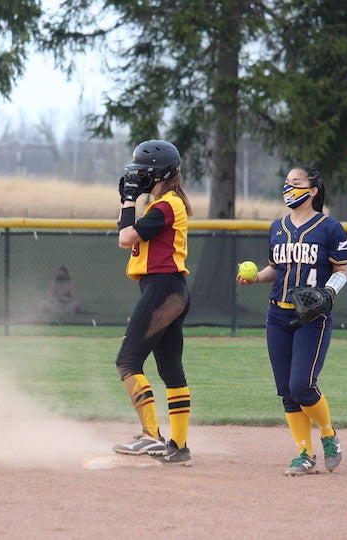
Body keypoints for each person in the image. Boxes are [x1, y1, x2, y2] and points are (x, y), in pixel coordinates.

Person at [236, 165, 347, 476]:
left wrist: (328, 293)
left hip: (312, 316)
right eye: (286, 182)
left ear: (313, 190)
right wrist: (257, 277)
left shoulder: (330, 228)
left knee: (302, 385)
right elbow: (277, 268)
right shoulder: (277, 227)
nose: (289, 187)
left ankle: (328, 434)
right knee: (287, 390)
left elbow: (341, 272)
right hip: (278, 315)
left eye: (296, 183)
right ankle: (304, 453)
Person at [112, 139, 193, 464]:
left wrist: (127, 200)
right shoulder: (165, 203)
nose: (137, 177)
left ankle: (151, 437)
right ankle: (179, 446)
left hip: (163, 289)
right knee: (171, 369)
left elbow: (125, 238)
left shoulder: (165, 205)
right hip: (170, 290)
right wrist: (130, 200)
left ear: (160, 173)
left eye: (143, 171)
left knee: (127, 362)